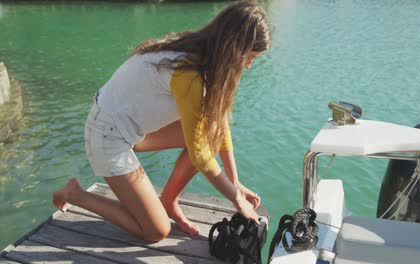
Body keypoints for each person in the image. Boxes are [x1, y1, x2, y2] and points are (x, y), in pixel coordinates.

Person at [52, 0, 270, 241]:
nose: (249, 65)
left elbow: (218, 125)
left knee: (210, 131)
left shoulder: (204, 54)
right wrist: (236, 199)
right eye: (249, 57)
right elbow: (199, 153)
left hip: (129, 129)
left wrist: (235, 182)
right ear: (233, 47)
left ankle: (168, 200)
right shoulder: (188, 71)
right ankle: (76, 194)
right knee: (156, 231)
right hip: (107, 135)